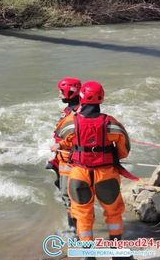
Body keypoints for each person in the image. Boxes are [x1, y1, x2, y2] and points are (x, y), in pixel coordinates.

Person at [58, 81, 133, 260]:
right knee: (113, 212)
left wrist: (60, 147)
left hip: (79, 174)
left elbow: (63, 141)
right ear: (102, 98)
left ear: (81, 97)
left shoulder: (70, 122)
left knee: (83, 215)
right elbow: (124, 150)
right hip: (106, 174)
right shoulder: (111, 123)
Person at [47, 77, 81, 237]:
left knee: (70, 196)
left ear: (69, 92)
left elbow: (76, 138)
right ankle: (74, 228)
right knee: (68, 196)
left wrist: (60, 146)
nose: (59, 95)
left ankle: (75, 231)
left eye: (61, 92)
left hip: (70, 161)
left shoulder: (74, 113)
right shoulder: (73, 111)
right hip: (63, 159)